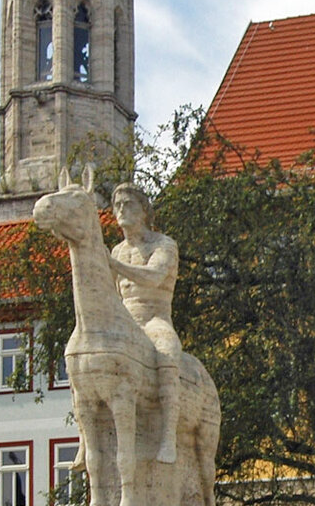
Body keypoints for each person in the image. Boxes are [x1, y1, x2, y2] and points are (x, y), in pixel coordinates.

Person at [108, 183, 183, 464]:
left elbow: (153, 277)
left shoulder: (163, 245)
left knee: (166, 354)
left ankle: (168, 436)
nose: (121, 210)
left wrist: (114, 266)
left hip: (154, 317)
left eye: (128, 204)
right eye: (117, 205)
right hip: (126, 322)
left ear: (143, 210)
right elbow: (112, 294)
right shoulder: (117, 251)